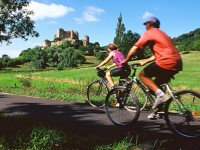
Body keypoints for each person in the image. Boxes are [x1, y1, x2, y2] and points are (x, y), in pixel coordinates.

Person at [121, 16, 182, 119]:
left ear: (149, 24)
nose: (145, 26)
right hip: (177, 62)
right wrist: (144, 62)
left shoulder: (150, 33)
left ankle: (161, 97)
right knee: (156, 86)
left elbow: (135, 48)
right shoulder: (163, 34)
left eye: (145, 24)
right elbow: (157, 55)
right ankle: (158, 110)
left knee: (142, 75)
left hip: (166, 61)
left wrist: (125, 60)